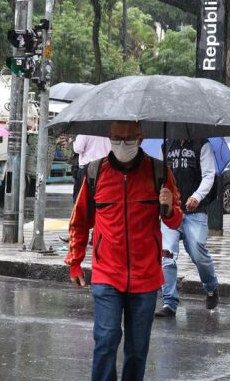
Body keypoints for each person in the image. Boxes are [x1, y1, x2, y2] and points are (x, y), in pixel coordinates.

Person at [67, 121, 182, 381]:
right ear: (109, 137)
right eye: (117, 138)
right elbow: (80, 220)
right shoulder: (95, 172)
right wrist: (75, 261)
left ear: (140, 138)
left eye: (128, 138)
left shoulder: (159, 171)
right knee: (106, 340)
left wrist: (169, 206)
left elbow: (175, 221)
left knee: (137, 350)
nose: (122, 143)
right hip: (107, 273)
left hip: (146, 277)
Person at [155, 139, 221, 317]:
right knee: (166, 255)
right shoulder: (167, 145)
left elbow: (209, 175)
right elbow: (162, 177)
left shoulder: (202, 145)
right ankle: (169, 301)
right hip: (171, 212)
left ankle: (211, 287)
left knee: (198, 252)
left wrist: (197, 196)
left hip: (195, 212)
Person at [72, 134, 112, 202]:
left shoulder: (84, 132)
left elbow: (78, 149)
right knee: (101, 194)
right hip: (103, 166)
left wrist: (74, 142)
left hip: (87, 167)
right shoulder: (106, 132)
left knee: (83, 196)